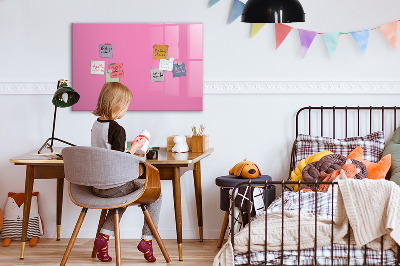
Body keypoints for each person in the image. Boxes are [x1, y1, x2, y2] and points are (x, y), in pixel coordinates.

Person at [91, 82, 161, 263]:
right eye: (126, 106)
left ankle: (103, 238)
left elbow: (108, 154)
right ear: (117, 105)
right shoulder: (117, 129)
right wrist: (136, 148)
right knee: (156, 194)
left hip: (97, 186)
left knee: (121, 197)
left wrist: (130, 149)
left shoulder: (96, 125)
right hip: (114, 186)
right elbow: (119, 160)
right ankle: (147, 240)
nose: (126, 110)